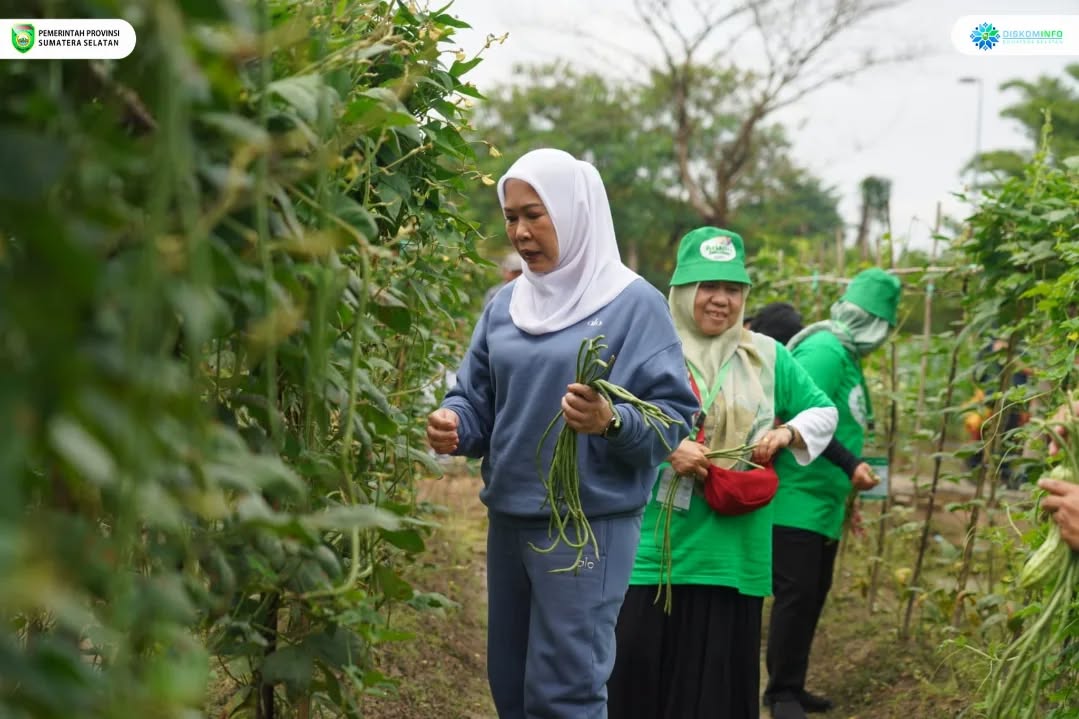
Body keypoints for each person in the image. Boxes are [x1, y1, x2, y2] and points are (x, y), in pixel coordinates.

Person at [426, 148, 697, 718]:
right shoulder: (505, 305)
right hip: (510, 519)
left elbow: (673, 416)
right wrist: (455, 423)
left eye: (534, 215)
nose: (520, 232)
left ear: (576, 213)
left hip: (587, 527)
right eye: (510, 217)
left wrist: (611, 422)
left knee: (565, 690)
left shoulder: (632, 306)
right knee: (510, 681)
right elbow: (474, 397)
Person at [607, 227, 838, 719]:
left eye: (732, 289)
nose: (720, 300)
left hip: (734, 555)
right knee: (637, 681)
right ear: (683, 290)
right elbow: (605, 420)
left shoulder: (768, 356)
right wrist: (667, 447)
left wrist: (788, 434)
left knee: (715, 689)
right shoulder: (646, 349)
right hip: (654, 549)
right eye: (707, 286)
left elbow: (823, 412)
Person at [764, 268, 901, 719]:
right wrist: (850, 465)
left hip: (823, 503)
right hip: (796, 497)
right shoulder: (825, 349)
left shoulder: (845, 354)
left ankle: (792, 686)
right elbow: (802, 413)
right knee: (796, 594)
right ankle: (780, 695)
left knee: (812, 594)